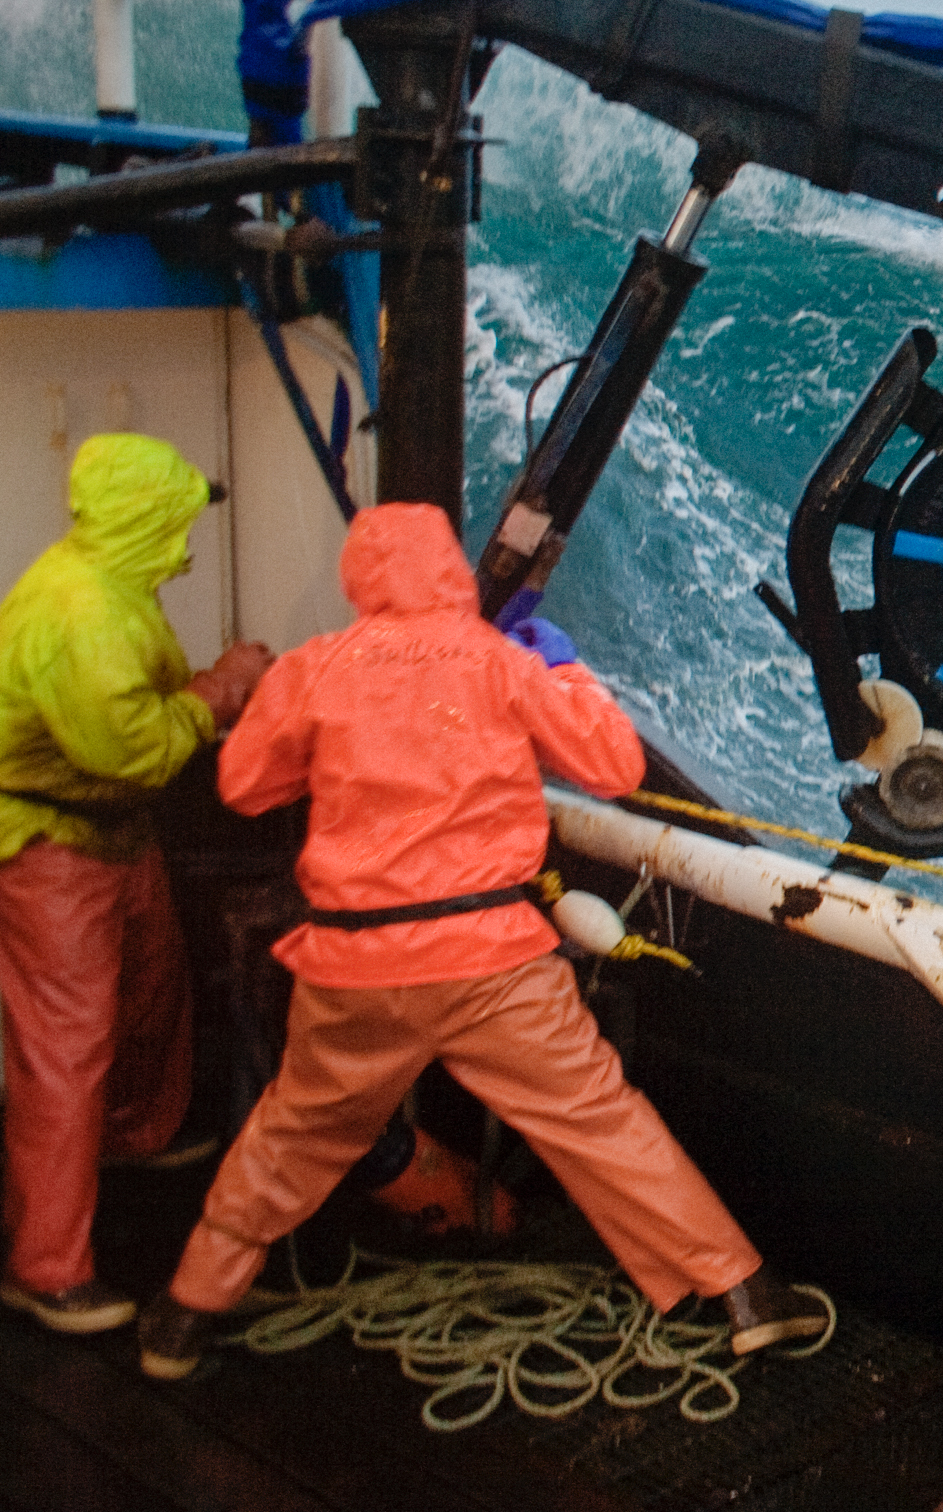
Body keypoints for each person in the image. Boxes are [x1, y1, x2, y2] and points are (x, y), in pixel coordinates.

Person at [137, 500, 823, 1379]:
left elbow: (243, 787)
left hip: (355, 967)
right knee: (602, 1124)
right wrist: (565, 670)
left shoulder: (317, 669)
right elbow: (614, 766)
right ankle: (746, 1296)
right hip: (493, 964)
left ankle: (184, 1314)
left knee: (290, 1140)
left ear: (360, 580)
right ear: (449, 573)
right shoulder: (500, 663)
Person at [0, 432, 270, 1335]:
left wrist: (205, 685)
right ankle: (45, 1268)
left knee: (153, 986)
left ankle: (131, 1136)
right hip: (48, 843)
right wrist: (226, 686)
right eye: (180, 518)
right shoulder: (82, 616)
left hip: (115, 834)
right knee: (64, 1048)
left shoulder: (114, 584)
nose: (190, 538)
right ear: (145, 519)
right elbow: (137, 751)